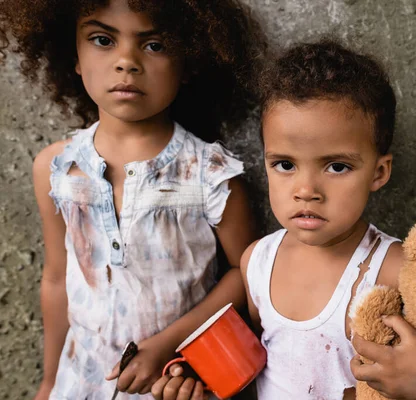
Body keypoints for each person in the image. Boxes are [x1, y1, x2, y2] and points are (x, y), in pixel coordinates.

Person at [154, 39, 416, 400]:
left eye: (337, 166)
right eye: (285, 165)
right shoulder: (257, 263)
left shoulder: (396, 269)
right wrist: (199, 379)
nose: (306, 189)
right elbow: (262, 363)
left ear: (379, 172)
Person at [0, 0, 264, 399]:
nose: (127, 61)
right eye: (103, 39)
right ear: (73, 55)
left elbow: (248, 275)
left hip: (175, 383)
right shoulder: (56, 169)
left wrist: (169, 345)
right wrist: (50, 380)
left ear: (189, 61)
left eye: (154, 45)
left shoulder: (210, 175)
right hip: (82, 380)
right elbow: (56, 280)